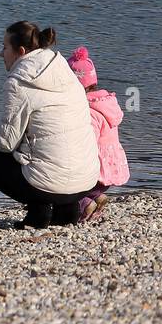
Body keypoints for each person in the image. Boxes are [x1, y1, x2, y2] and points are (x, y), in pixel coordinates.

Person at [0, 22, 100, 228]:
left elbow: (6, 142)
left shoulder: (18, 83)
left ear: (20, 51)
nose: (0, 53)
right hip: (87, 180)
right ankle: (68, 210)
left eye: (4, 47)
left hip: (51, 184)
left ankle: (38, 213)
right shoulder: (63, 70)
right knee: (53, 143)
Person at [66, 46, 130, 221]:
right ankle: (97, 197)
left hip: (95, 172)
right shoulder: (106, 103)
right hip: (110, 170)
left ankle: (85, 203)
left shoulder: (87, 110)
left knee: (70, 189)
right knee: (91, 190)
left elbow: (87, 143)